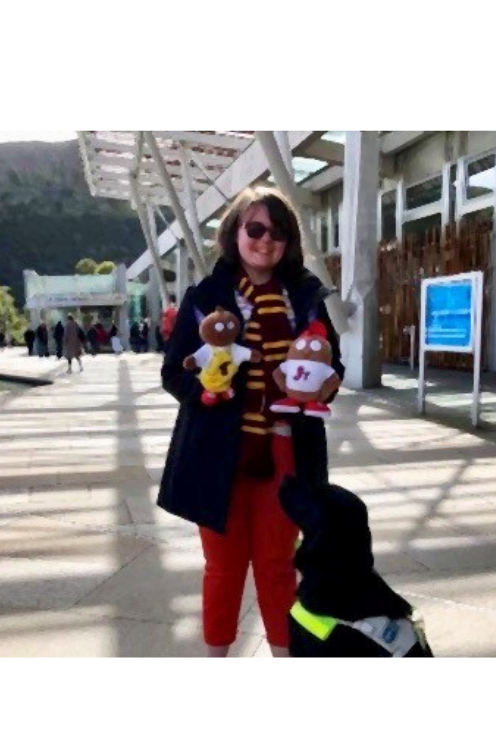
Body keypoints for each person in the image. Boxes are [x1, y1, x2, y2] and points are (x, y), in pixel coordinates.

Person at [158, 186, 344, 658]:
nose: (266, 241)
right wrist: (206, 391)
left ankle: (286, 656)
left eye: (278, 232)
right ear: (235, 233)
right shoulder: (206, 297)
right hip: (218, 450)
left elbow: (332, 362)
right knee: (222, 566)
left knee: (278, 565)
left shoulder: (304, 296)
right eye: (255, 229)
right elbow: (173, 370)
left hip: (286, 449)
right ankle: (217, 659)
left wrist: (327, 383)